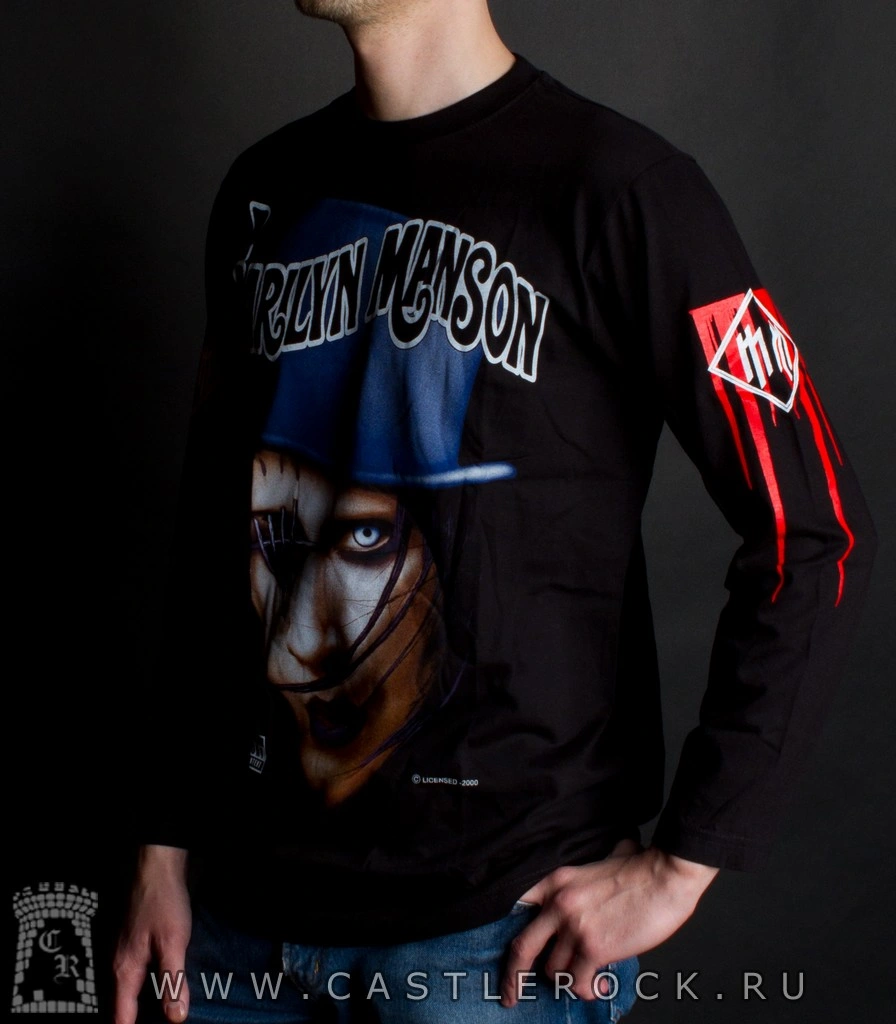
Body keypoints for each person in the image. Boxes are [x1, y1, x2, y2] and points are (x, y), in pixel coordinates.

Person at [113, 1, 877, 1022]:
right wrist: (163, 841)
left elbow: (810, 527)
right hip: (235, 932)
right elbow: (214, 532)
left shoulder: (625, 190)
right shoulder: (264, 189)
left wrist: (685, 860)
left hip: (490, 947)